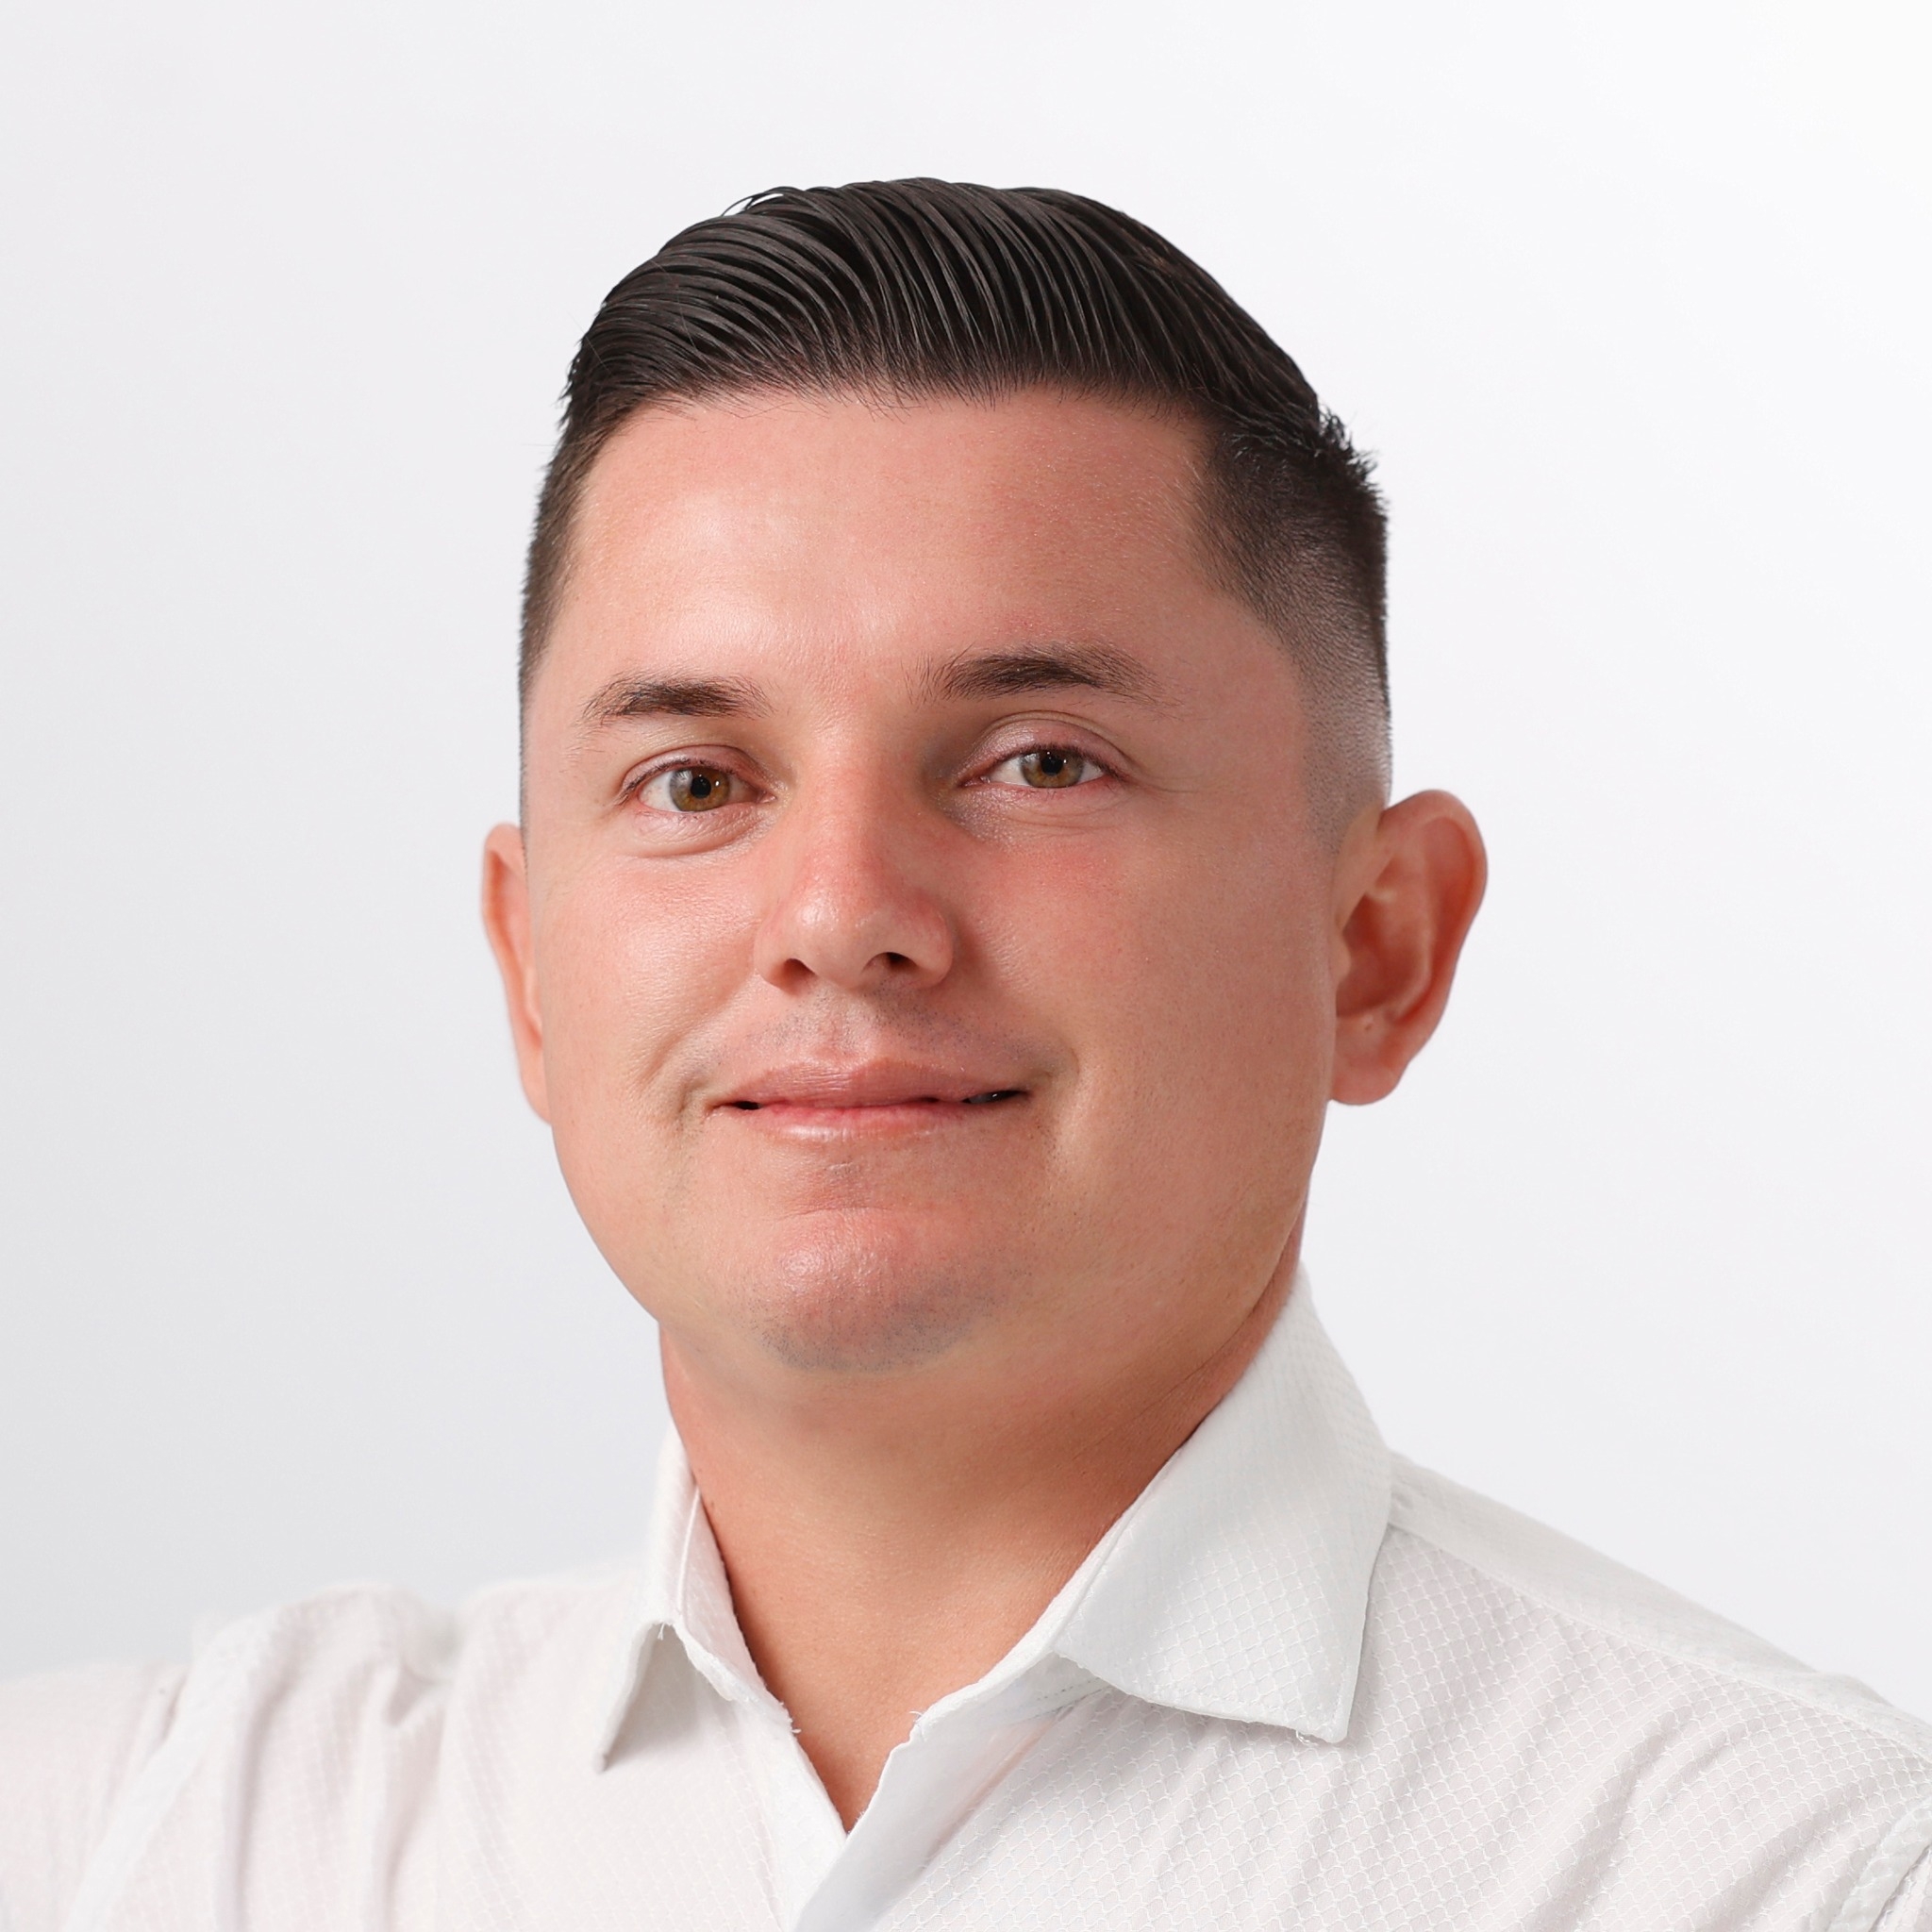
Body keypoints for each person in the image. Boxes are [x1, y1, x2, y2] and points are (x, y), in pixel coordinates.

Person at [3, 178, 1927, 1932]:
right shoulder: (143, 1838)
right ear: (530, 973)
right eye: (696, 781)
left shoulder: (1790, 1879)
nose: (841, 912)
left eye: (1038, 762)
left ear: (1374, 947)